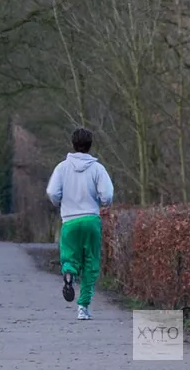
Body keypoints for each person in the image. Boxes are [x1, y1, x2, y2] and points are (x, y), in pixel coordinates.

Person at [46, 127, 113, 321]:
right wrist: (103, 202)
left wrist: (59, 202)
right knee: (91, 263)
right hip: (91, 219)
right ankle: (83, 307)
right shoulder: (97, 168)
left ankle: (69, 274)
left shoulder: (62, 167)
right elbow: (107, 195)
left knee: (69, 257)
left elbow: (52, 192)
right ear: (90, 145)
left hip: (70, 220)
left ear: (72, 144)